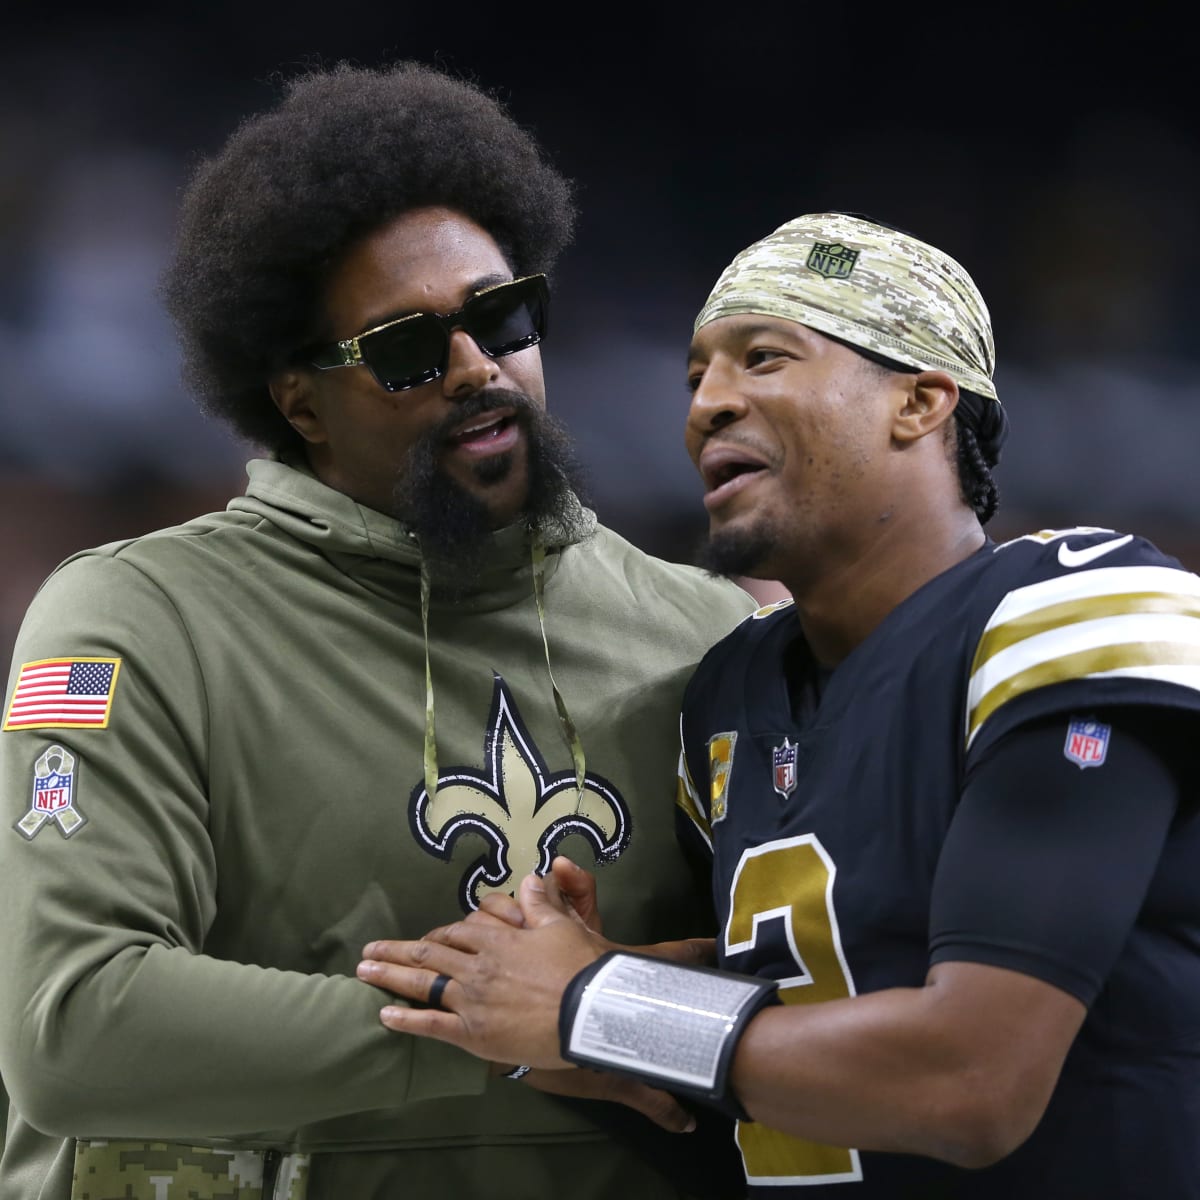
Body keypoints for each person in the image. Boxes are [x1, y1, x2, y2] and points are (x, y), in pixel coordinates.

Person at [0, 62, 760, 1200]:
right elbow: (74, 1025)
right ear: (299, 399)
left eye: (502, 317)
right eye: (406, 349)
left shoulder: (709, 631)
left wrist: (594, 1019)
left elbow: (815, 999)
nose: (476, 369)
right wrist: (524, 1029)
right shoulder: (137, 619)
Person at [357, 212, 1200, 1198]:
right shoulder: (730, 687)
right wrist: (567, 998)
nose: (708, 404)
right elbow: (812, 1002)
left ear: (921, 403)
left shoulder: (1074, 608)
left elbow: (972, 1079)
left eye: (763, 359)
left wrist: (598, 1001)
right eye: (696, 377)